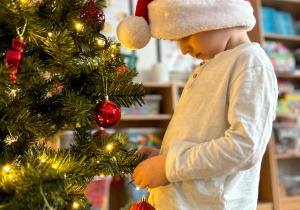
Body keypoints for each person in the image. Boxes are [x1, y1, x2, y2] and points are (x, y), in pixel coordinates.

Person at [117, 0, 278, 209]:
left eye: (185, 35)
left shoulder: (250, 63)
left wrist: (169, 165)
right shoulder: (211, 65)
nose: (183, 49)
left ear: (217, 11)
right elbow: (202, 139)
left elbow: (244, 147)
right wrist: (163, 156)